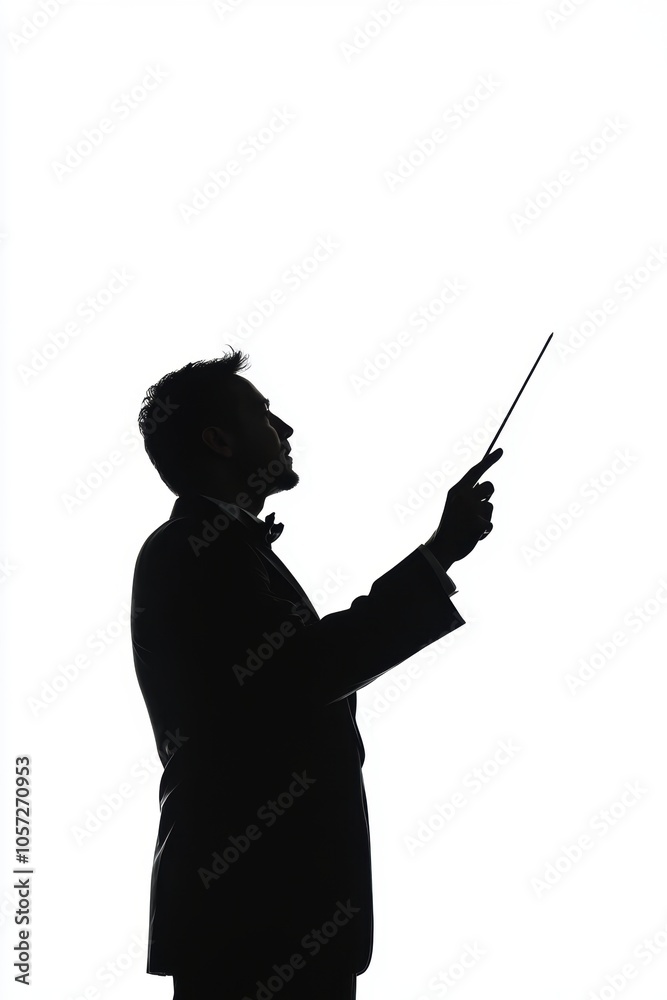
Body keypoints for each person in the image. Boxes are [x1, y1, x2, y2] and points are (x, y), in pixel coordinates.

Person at [130, 349, 502, 999]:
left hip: (263, 912)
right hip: (255, 915)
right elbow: (306, 671)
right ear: (219, 440)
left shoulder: (217, 548)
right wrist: (439, 552)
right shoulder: (197, 550)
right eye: (263, 414)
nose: (285, 429)